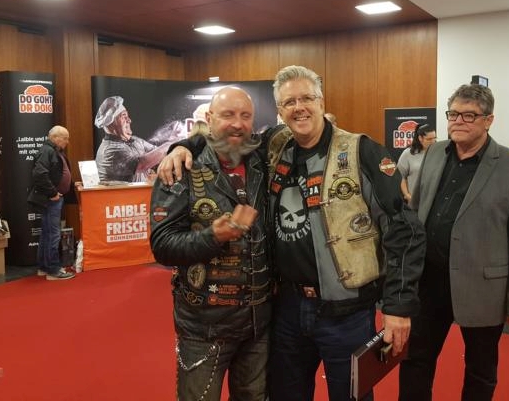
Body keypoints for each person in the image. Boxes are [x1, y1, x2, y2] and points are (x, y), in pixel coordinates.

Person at [158, 65, 425, 401]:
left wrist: (398, 305)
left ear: (321, 101)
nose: (299, 107)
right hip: (287, 310)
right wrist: (183, 146)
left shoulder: (362, 151)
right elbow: (226, 137)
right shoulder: (273, 147)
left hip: (347, 311)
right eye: (289, 102)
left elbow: (405, 230)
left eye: (306, 98)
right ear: (280, 111)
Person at [399, 84, 509, 401]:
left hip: (483, 288)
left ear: (488, 120)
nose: (458, 121)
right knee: (415, 360)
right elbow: (415, 213)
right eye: (453, 114)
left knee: (480, 369)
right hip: (429, 282)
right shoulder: (435, 153)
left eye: (469, 115)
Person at [149, 86, 272, 401]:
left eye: (245, 116)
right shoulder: (181, 169)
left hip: (258, 323)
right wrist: (213, 237)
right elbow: (162, 245)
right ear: (209, 118)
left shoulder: (261, 161)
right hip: (204, 327)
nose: (237, 124)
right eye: (228, 115)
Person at [27, 126, 76, 281]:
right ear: (55, 137)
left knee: (47, 233)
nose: (67, 142)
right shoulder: (47, 151)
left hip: (54, 199)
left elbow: (59, 173)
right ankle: (53, 270)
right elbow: (39, 174)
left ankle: (44, 267)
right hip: (51, 199)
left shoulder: (54, 151)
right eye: (65, 138)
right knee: (53, 234)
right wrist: (53, 193)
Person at [94, 95, 180, 182]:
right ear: (112, 124)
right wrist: (171, 143)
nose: (129, 120)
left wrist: (173, 141)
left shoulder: (135, 140)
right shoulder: (109, 150)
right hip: (122, 192)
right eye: (124, 116)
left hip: (141, 191)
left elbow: (158, 153)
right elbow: (142, 165)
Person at [397, 124, 436, 203]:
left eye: (434, 138)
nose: (433, 142)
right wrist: (407, 195)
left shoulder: (439, 152)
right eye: (429, 139)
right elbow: (401, 177)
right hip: (415, 202)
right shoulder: (408, 154)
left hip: (434, 202)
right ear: (420, 138)